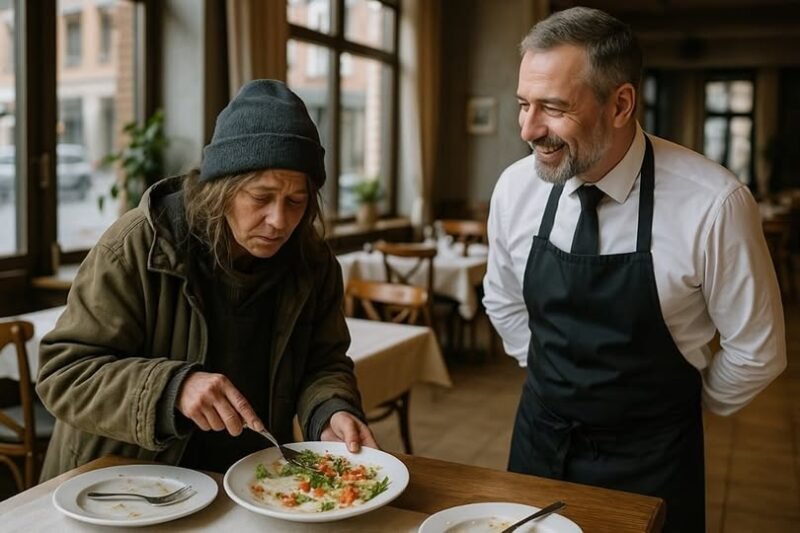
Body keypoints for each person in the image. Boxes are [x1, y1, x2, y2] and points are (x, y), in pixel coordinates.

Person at [483, 7, 786, 532]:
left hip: (654, 461)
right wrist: (556, 381)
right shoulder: (515, 187)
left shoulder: (714, 203)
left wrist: (676, 407)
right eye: (523, 104)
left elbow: (758, 350)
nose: (530, 129)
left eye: (553, 108)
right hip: (541, 439)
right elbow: (502, 299)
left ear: (621, 103)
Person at [36, 80, 377, 479]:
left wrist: (330, 410)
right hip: (124, 484)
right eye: (261, 197)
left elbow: (324, 362)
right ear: (222, 189)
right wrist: (172, 389)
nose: (279, 221)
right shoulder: (138, 244)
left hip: (252, 482)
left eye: (296, 202)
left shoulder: (313, 262)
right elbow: (64, 374)